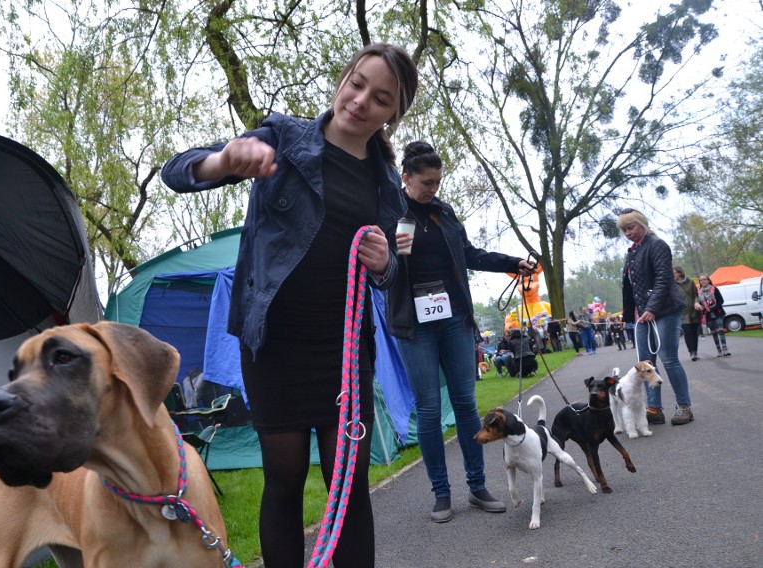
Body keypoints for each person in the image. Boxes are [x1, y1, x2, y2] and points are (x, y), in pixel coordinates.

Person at [161, 43, 419, 567]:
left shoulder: (389, 183)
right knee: (284, 477)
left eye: (380, 97)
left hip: (343, 356)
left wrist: (383, 263)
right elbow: (177, 171)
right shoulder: (282, 138)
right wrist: (223, 161)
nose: (360, 100)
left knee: (347, 486)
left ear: (394, 113)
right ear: (344, 78)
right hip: (274, 346)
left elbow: (391, 274)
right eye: (357, 82)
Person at [386, 141, 537, 523]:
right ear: (406, 178)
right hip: (414, 324)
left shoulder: (444, 213)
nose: (434, 188)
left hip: (453, 318)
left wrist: (511, 263)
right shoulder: (388, 211)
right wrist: (389, 249)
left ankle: (477, 486)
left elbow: (469, 254)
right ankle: (441, 493)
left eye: (438, 181)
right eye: (426, 182)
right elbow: (378, 270)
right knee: (430, 409)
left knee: (467, 405)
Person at [618, 208, 693, 426]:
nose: (628, 233)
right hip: (643, 314)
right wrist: (627, 314)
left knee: (669, 358)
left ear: (642, 223)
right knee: (645, 363)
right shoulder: (632, 251)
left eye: (630, 227)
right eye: (624, 230)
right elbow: (630, 287)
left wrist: (652, 307)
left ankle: (684, 406)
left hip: (665, 309)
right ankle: (654, 409)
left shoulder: (656, 245)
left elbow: (663, 279)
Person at [697, 273, 731, 358]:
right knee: (714, 333)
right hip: (708, 315)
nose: (703, 281)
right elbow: (700, 304)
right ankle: (719, 350)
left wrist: (712, 308)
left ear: (708, 280)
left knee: (720, 330)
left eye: (704, 279)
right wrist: (702, 307)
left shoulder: (714, 289)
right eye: (701, 280)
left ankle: (725, 349)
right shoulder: (699, 292)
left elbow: (721, 301)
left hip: (718, 313)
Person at [674, 266, 703, 361]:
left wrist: (696, 302)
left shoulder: (690, 282)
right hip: (682, 313)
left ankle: (695, 351)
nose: (673, 275)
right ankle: (692, 352)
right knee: (688, 332)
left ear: (680, 273)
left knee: (695, 333)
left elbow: (696, 294)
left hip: (694, 312)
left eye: (674, 273)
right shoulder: (673, 285)